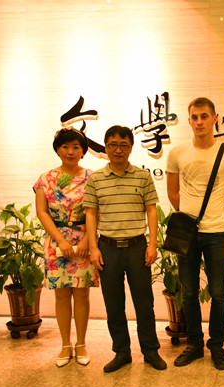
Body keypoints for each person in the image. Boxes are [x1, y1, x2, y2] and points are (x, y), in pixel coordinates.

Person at [166, 97, 224, 370]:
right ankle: (195, 344)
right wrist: (187, 220)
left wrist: (221, 220)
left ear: (214, 119)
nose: (199, 122)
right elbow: (173, 193)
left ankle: (217, 346)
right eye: (195, 117)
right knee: (189, 292)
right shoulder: (177, 153)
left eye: (204, 116)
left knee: (219, 292)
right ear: (189, 120)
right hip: (187, 235)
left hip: (216, 235)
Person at [84, 125, 166, 373]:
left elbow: (151, 210)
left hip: (137, 247)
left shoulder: (142, 176)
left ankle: (150, 350)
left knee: (144, 303)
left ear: (130, 148)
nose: (118, 150)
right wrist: (93, 248)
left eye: (123, 145)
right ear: (106, 147)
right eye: (113, 145)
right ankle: (121, 352)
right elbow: (91, 214)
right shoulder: (96, 179)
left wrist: (152, 244)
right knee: (114, 304)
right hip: (107, 248)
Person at [34, 127, 99, 367]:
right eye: (65, 147)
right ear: (57, 149)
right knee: (61, 294)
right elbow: (42, 212)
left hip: (84, 240)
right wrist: (60, 240)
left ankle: (81, 343)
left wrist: (86, 241)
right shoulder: (45, 178)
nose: (70, 151)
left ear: (83, 151)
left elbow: (97, 212)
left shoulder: (93, 178)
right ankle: (64, 344)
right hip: (56, 242)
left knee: (82, 293)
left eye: (75, 147)